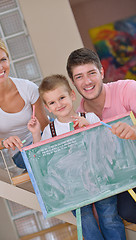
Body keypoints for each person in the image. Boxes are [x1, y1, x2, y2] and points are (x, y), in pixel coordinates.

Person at [28, 74, 126, 240]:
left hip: (101, 178)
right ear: (47, 108)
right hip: (72, 187)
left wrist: (91, 128)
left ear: (72, 95)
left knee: (109, 217)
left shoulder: (90, 118)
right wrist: (36, 133)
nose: (59, 104)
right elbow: (40, 157)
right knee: (86, 221)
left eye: (62, 97)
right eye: (52, 102)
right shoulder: (49, 131)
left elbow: (108, 144)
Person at [66, 47, 136, 225]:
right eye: (79, 76)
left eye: (91, 73)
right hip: (123, 180)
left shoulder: (128, 89)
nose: (87, 81)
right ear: (73, 82)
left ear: (102, 72)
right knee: (127, 210)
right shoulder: (79, 119)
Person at [0, 35, 49, 169]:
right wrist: (4, 142)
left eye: (3, 60)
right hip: (20, 153)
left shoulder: (28, 88)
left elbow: (46, 127)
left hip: (43, 140)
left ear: (9, 60)